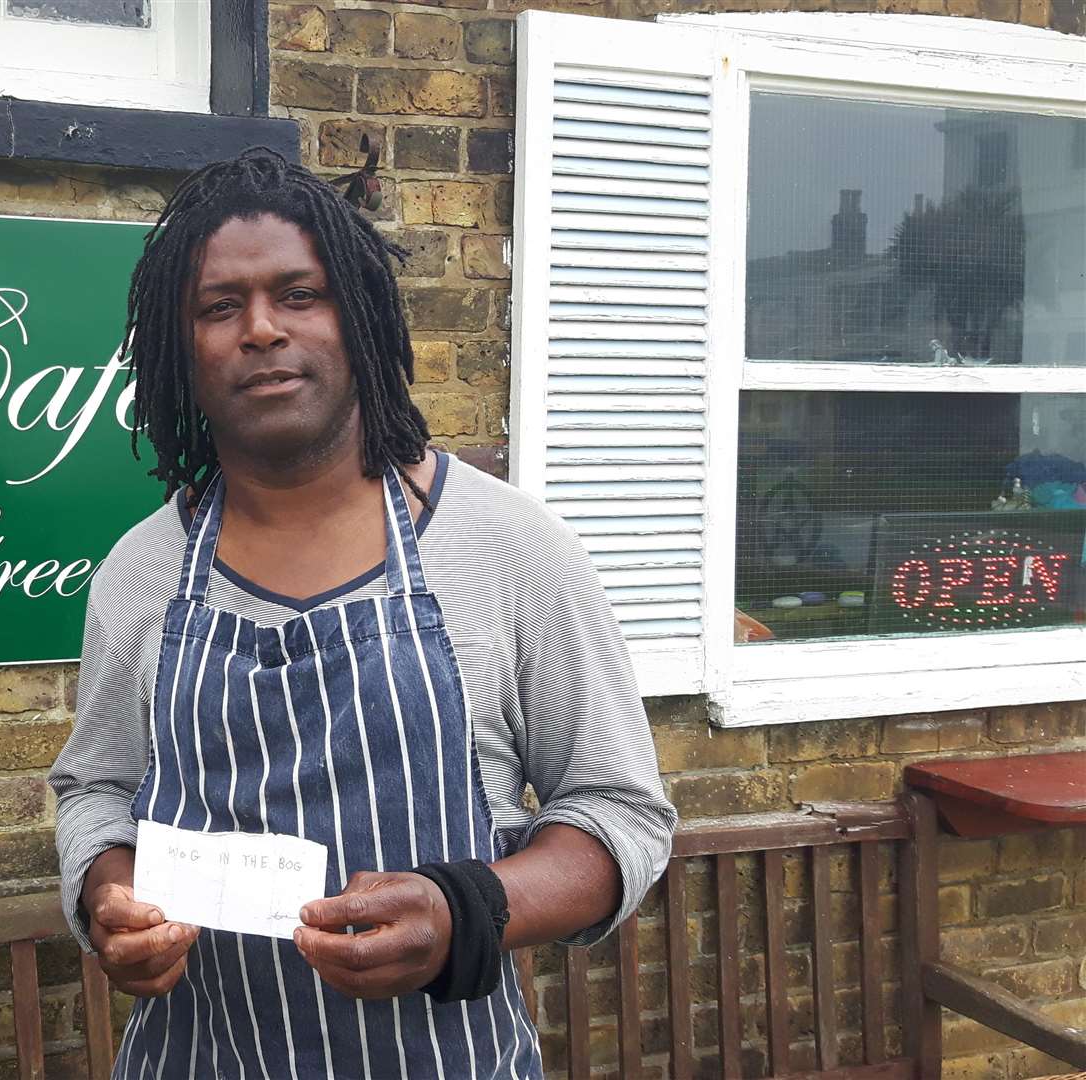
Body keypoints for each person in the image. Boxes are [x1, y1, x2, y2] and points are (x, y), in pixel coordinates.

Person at [49, 147, 676, 1078]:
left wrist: (466, 911)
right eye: (219, 307)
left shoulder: (508, 548)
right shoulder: (143, 572)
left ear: (360, 319)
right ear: (178, 350)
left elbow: (621, 812)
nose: (260, 329)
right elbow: (96, 790)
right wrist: (109, 895)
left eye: (298, 294)